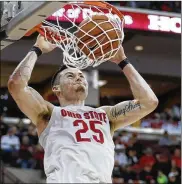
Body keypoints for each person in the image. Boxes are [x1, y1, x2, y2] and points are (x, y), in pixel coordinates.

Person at [8, 28, 158, 183]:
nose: (78, 78)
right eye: (70, 76)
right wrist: (37, 49)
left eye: (81, 75)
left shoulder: (105, 115)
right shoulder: (49, 113)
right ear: (56, 89)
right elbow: (16, 85)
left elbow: (149, 102)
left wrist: (122, 61)